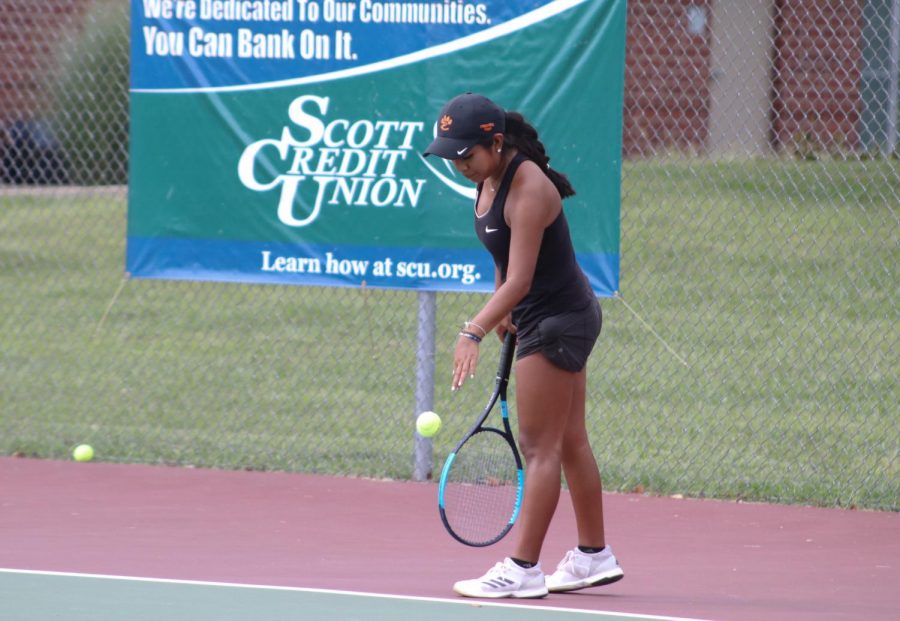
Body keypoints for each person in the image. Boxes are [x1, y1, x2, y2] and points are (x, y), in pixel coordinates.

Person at [424, 93, 624, 599]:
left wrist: (473, 329)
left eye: (465, 155)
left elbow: (521, 278)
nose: (458, 165)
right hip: (549, 315)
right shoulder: (487, 177)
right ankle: (593, 556)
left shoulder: (530, 186)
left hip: (559, 321)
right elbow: (502, 250)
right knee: (571, 440)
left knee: (541, 450)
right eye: (450, 155)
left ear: (496, 142)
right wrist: (501, 310)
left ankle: (523, 568)